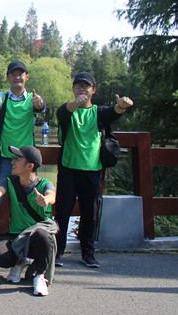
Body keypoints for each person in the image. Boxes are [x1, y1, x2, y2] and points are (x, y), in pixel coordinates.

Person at [54, 72, 134, 268]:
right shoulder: (67, 111)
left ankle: (88, 253)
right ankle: (58, 252)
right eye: (78, 85)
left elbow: (114, 111)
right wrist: (76, 103)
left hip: (92, 171)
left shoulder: (98, 112)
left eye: (86, 86)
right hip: (68, 170)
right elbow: (63, 113)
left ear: (93, 90)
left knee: (90, 214)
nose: (81, 89)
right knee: (62, 213)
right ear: (73, 89)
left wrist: (122, 106)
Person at [0, 60, 45, 261]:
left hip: (27, 162)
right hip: (4, 160)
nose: (17, 77)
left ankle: (32, 245)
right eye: (13, 74)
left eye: (20, 74)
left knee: (32, 203)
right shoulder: (2, 97)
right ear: (8, 78)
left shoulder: (32, 99)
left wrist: (40, 105)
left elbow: (40, 105)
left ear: (27, 77)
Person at [0, 146, 57, 296]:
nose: (12, 162)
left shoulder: (44, 184)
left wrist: (46, 200)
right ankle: (19, 262)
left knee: (44, 236)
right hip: (16, 236)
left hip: (37, 237)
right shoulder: (10, 181)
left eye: (17, 159)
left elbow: (51, 195)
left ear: (29, 166)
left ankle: (39, 275)